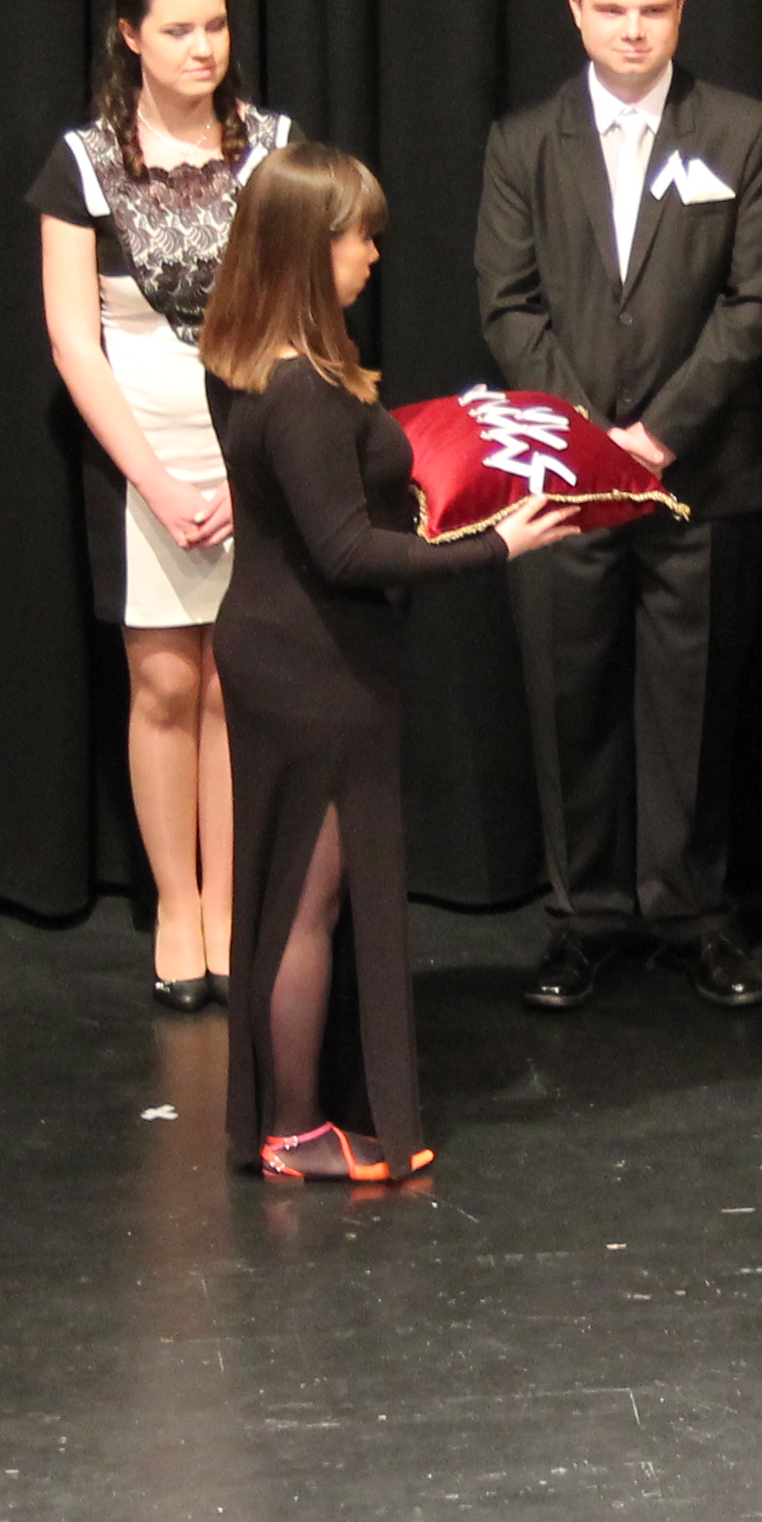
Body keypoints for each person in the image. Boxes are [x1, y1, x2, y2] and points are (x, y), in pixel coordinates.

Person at [203, 145, 578, 1181]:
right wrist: (496, 546)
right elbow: (346, 552)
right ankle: (294, 1130)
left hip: (281, 644)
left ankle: (294, 1114)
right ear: (305, 246)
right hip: (315, 664)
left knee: (292, 891)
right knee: (308, 898)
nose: (373, 255)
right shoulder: (301, 389)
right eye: (358, 238)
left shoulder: (251, 359)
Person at [473, 0, 762, 1015]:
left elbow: (756, 302)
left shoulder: (741, 131)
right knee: (568, 698)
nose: (633, 29)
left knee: (694, 703)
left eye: (652, 8)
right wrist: (589, 440)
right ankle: (586, 915)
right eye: (612, 9)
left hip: (701, 473)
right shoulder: (523, 142)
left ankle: (691, 913)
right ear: (575, 12)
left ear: (681, 7)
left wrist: (656, 435)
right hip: (563, 484)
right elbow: (507, 303)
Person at [37, 0, 296, 1012]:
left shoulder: (272, 148)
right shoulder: (84, 163)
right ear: (130, 37)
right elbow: (72, 339)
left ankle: (231, 903)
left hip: (252, 454)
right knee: (165, 684)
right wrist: (152, 477)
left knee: (235, 682)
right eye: (179, 29)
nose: (203, 48)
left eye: (217, 26)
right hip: (136, 454)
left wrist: (248, 471)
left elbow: (296, 317)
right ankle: (177, 905)